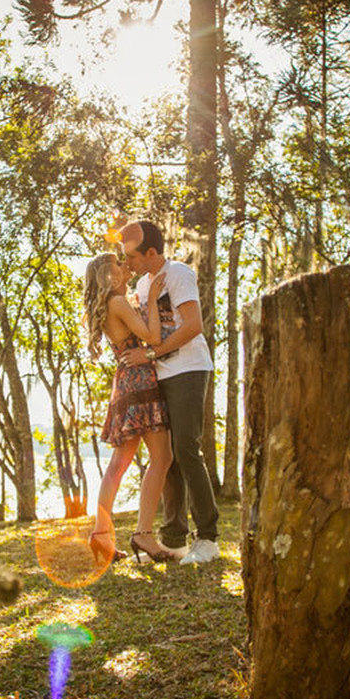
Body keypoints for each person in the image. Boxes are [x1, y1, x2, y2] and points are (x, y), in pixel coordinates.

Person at [117, 220, 220, 565]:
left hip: (188, 370)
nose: (127, 262)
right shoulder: (144, 283)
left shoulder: (178, 274)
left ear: (150, 252)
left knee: (187, 449)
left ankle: (208, 538)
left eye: (131, 256)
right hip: (158, 375)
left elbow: (193, 326)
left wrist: (149, 354)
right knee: (167, 459)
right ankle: (173, 539)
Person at [83, 252, 177, 564]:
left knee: (118, 464)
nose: (126, 267)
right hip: (139, 382)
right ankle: (143, 534)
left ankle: (101, 535)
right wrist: (150, 303)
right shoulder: (118, 302)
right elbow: (151, 336)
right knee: (162, 457)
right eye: (118, 265)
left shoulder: (114, 303)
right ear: (107, 275)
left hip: (126, 382)